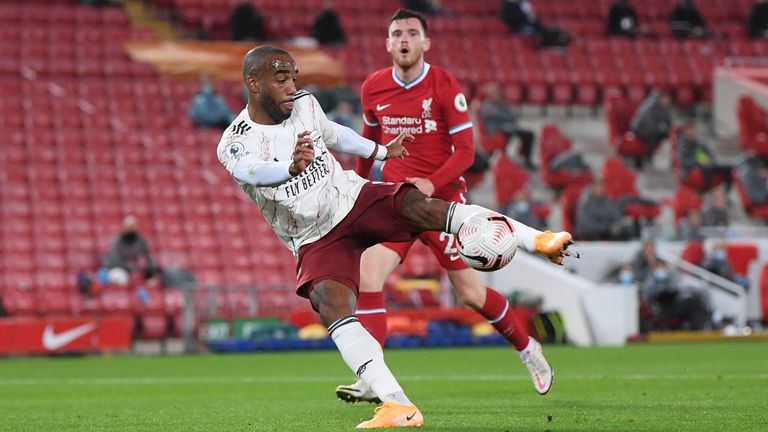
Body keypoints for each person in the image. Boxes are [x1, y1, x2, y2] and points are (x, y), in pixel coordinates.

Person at [217, 45, 574, 428]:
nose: (291, 87)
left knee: (422, 210)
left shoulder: (304, 103)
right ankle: (396, 404)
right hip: (313, 236)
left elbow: (333, 133)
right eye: (281, 79)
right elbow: (253, 172)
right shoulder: (235, 141)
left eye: (294, 77)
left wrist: (381, 152)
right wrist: (289, 167)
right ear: (253, 82)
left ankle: (538, 240)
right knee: (330, 303)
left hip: (352, 198)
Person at [345, 8, 557, 406]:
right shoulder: (373, 87)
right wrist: (358, 185)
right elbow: (367, 142)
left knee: (471, 294)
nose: (404, 39)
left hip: (442, 204)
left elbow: (467, 152)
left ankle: (528, 347)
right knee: (368, 275)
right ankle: (373, 376)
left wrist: (431, 182)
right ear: (387, 43)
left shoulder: (444, 86)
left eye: (412, 32)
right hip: (395, 200)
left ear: (426, 42)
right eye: (396, 33)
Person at [478, 82, 536, 169]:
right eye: (493, 92)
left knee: (529, 134)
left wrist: (505, 117)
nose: (496, 95)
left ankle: (526, 160)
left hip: (509, 128)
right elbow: (495, 117)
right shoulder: (486, 106)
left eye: (497, 92)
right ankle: (509, 161)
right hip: (495, 131)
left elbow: (513, 116)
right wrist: (505, 117)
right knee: (511, 133)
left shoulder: (504, 104)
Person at [676, 122, 733, 191]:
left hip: (708, 164)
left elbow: (711, 154)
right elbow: (683, 161)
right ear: (685, 134)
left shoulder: (699, 142)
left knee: (729, 168)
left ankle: (726, 191)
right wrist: (699, 162)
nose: (692, 135)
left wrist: (709, 160)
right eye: (689, 133)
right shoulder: (683, 145)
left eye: (693, 132)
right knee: (708, 170)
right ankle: (706, 190)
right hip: (694, 167)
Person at [101, 215, 158, 282]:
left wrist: (149, 268)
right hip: (119, 269)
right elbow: (114, 259)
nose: (131, 229)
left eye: (133, 227)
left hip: (135, 269)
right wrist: (128, 266)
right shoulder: (117, 241)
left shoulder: (141, 241)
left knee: (151, 277)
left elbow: (148, 256)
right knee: (118, 275)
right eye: (129, 227)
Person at [629, 89, 672, 165]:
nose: (667, 101)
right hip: (639, 129)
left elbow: (668, 122)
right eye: (665, 99)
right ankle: (647, 158)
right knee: (653, 135)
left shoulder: (664, 107)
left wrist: (670, 130)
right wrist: (662, 130)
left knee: (668, 134)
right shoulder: (650, 106)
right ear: (660, 98)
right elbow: (650, 124)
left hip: (652, 129)